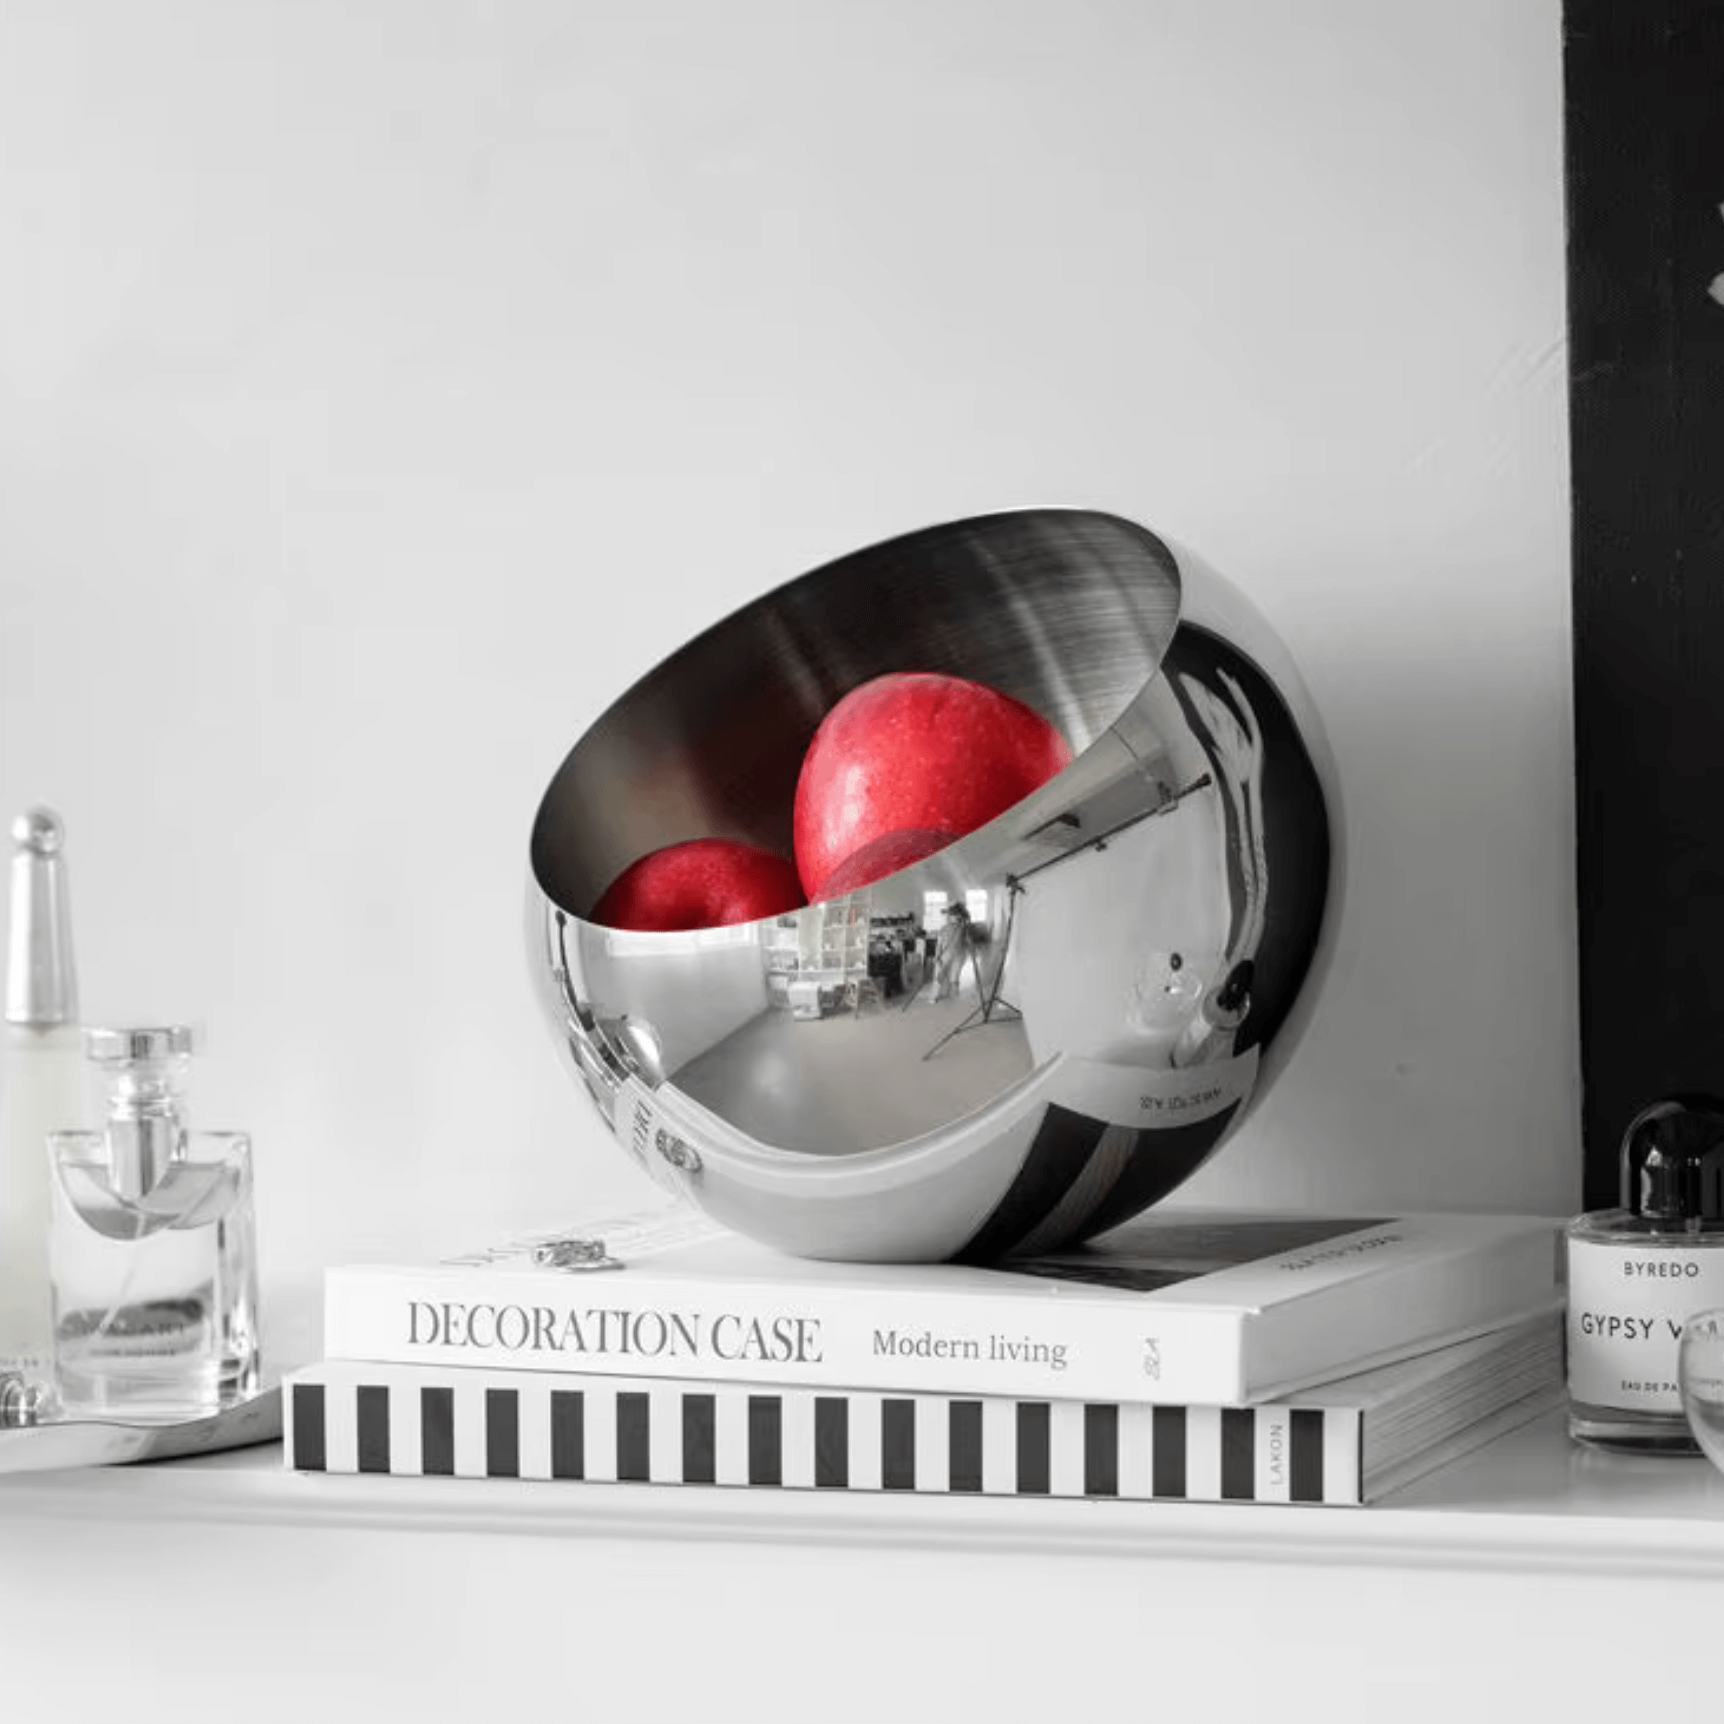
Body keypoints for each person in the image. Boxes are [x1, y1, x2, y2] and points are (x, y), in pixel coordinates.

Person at [933, 902, 971, 1002]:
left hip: (959, 955)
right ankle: (936, 995)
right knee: (940, 976)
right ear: (949, 916)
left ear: (959, 916)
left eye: (956, 916)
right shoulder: (944, 928)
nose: (953, 917)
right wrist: (937, 955)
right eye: (951, 915)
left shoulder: (962, 928)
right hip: (945, 956)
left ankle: (954, 995)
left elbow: (967, 941)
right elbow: (939, 943)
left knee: (954, 976)